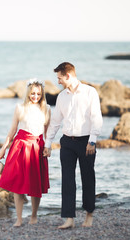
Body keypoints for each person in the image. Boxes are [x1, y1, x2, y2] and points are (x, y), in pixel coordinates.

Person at [43, 62, 103, 229]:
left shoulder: (90, 92)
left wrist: (92, 140)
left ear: (68, 75)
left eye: (60, 78)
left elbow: (96, 117)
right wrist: (48, 143)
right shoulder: (62, 96)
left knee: (87, 178)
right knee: (67, 180)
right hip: (67, 142)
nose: (58, 81)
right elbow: (55, 122)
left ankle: (89, 214)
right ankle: (69, 218)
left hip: (86, 142)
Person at [0, 78, 51, 227]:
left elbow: (47, 134)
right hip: (20, 147)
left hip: (37, 148)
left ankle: (34, 216)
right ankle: (19, 219)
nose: (35, 96)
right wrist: (2, 149)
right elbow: (12, 130)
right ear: (28, 93)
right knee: (17, 185)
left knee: (36, 184)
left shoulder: (46, 109)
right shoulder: (20, 107)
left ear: (42, 94)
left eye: (38, 94)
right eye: (33, 93)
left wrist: (48, 147)